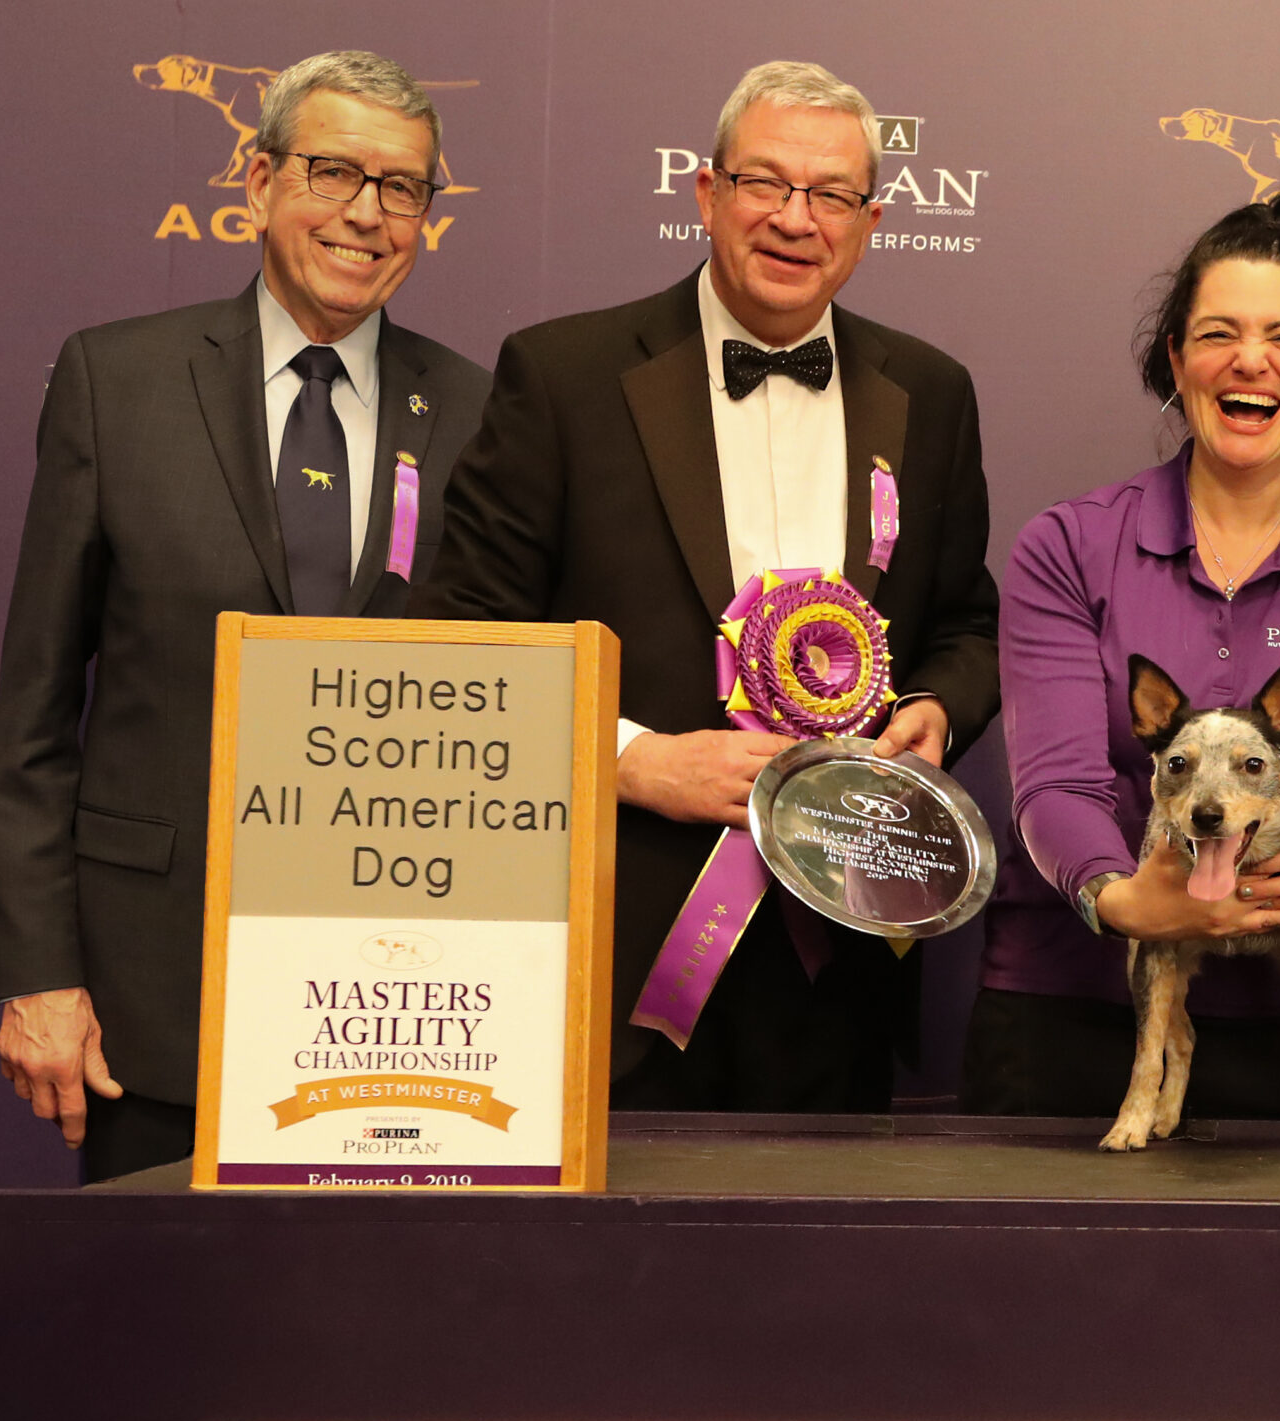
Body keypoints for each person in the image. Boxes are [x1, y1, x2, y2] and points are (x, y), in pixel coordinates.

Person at [411, 61, 998, 1112]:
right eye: (764, 183)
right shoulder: (563, 379)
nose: (793, 219)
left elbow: (964, 622)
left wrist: (932, 713)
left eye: (829, 195)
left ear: (870, 220)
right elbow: (466, 649)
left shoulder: (932, 392)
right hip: (615, 944)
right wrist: (635, 763)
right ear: (706, 192)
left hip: (843, 955)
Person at [0, 51, 490, 1181]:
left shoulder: (475, 409)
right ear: (258, 183)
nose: (366, 213)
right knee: (152, 1345)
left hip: (399, 1013)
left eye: (402, 187)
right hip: (146, 1004)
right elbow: (34, 713)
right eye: (331, 172)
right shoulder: (116, 381)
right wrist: (37, 974)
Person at [962, 193, 1280, 1118]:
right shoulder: (1068, 547)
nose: (1249, 360)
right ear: (1176, 360)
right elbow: (1056, 789)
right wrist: (1129, 902)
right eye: (1217, 332)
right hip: (1070, 1016)